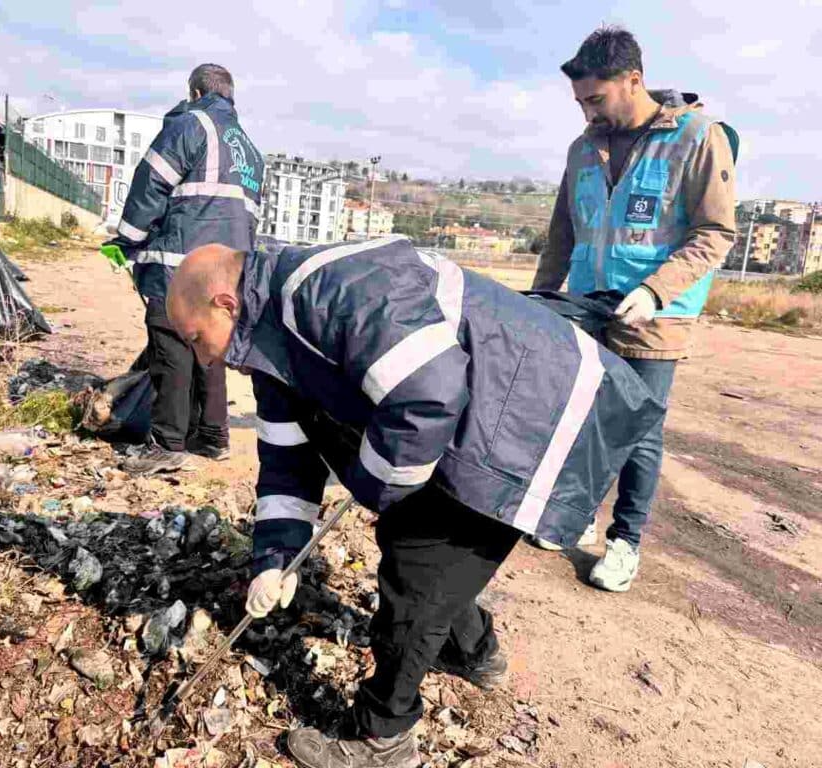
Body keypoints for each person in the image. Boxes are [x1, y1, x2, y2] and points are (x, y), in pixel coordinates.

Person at [165, 236, 664, 766]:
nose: (203, 358)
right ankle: (474, 652)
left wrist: (376, 489)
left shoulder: (326, 292)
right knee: (428, 554)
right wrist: (275, 557)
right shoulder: (269, 344)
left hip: (532, 415)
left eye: (197, 339)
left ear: (227, 304)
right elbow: (288, 460)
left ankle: (384, 736)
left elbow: (428, 393)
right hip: (472, 414)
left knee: (416, 571)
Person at [530, 26, 738, 592]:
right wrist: (542, 298)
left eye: (595, 99)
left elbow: (715, 233)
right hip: (589, 305)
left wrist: (654, 291)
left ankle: (626, 542)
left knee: (639, 430)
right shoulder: (583, 149)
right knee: (584, 414)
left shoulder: (697, 137)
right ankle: (575, 514)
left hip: (657, 315)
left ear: (634, 81)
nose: (587, 112)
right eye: (580, 102)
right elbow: (562, 233)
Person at [109, 63, 263, 473]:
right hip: (226, 272)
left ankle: (167, 443)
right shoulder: (249, 150)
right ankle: (213, 437)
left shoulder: (190, 125)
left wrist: (127, 240)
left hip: (180, 265)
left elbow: (150, 185)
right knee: (210, 349)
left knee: (171, 348)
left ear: (195, 93)